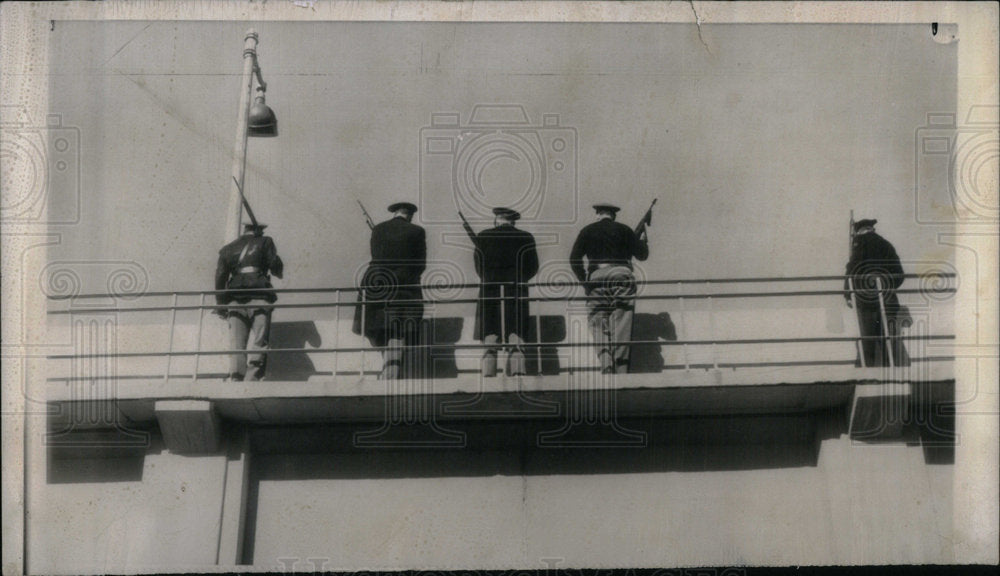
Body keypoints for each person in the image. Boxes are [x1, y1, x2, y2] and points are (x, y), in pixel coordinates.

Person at [569, 203, 649, 374]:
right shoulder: (625, 230)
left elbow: (574, 258)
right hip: (622, 274)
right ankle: (621, 370)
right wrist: (643, 239)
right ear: (614, 216)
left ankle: (606, 365)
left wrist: (585, 282)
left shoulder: (587, 230)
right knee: (622, 322)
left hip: (596, 277)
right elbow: (642, 255)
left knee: (597, 321)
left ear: (598, 215)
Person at [353, 202, 427, 379]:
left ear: (394, 213)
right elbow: (420, 264)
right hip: (403, 285)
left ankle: (387, 371)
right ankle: (390, 374)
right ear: (410, 215)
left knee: (379, 327)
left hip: (375, 283)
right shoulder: (417, 231)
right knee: (398, 330)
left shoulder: (378, 229)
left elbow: (375, 255)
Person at [473, 207, 539, 377]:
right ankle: (518, 372)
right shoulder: (525, 237)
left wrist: (490, 278)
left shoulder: (483, 236)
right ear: (513, 221)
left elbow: (479, 267)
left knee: (490, 333)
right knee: (516, 333)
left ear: (496, 219)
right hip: (516, 290)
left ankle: (488, 374)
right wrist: (519, 278)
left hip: (490, 291)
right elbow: (533, 267)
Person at [215, 222, 284, 381]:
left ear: (245, 230)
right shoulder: (265, 241)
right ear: (259, 230)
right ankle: (253, 377)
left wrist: (220, 305)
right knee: (260, 341)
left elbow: (220, 277)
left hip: (234, 298)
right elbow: (276, 269)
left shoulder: (227, 249)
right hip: (260, 296)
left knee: (237, 343)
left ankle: (237, 377)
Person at [844, 218, 909, 367]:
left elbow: (852, 270)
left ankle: (867, 375)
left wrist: (848, 294)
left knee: (867, 339)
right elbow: (899, 273)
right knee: (886, 338)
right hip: (887, 299)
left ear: (859, 231)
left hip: (865, 301)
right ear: (872, 229)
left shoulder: (859, 244)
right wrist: (885, 286)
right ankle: (889, 373)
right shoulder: (886, 245)